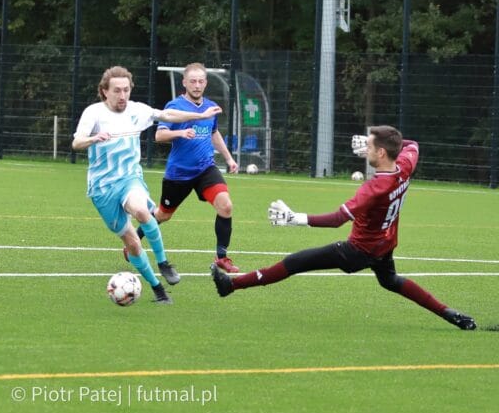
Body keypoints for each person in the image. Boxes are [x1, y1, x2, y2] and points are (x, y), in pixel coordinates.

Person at [210, 125, 477, 330]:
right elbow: (412, 144)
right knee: (391, 281)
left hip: (358, 251)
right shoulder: (404, 165)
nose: (365, 150)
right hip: (385, 244)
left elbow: (338, 218)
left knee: (294, 262)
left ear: (381, 153)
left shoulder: (374, 188)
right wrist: (380, 142)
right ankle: (450, 314)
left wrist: (296, 218)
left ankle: (231, 286)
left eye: (370, 146)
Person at [72, 65, 222, 304]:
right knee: (132, 243)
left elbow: (168, 115)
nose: (123, 96)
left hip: (130, 179)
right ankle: (158, 289)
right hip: (102, 189)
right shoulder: (94, 113)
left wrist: (200, 116)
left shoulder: (137, 110)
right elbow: (77, 142)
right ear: (104, 91)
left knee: (142, 210)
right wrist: (93, 139)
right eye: (117, 91)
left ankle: (163, 262)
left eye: (126, 90)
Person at [132, 62, 241, 273]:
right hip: (179, 174)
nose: (197, 85)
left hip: (205, 169)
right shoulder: (174, 107)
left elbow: (213, 133)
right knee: (163, 215)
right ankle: (134, 238)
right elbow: (159, 135)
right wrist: (180, 133)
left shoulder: (210, 107)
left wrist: (229, 158)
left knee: (225, 206)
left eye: (201, 81)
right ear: (185, 82)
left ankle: (221, 257)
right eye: (193, 81)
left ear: (206, 83)